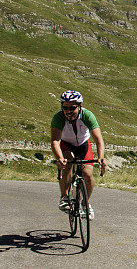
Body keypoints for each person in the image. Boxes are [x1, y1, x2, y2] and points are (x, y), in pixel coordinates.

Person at [50, 90, 107, 219]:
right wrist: (59, 158)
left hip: (83, 144)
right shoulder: (58, 118)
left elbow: (98, 139)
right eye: (65, 108)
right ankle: (64, 198)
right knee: (68, 161)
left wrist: (101, 157)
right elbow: (55, 141)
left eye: (72, 108)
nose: (68, 111)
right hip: (66, 144)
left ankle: (85, 202)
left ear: (80, 106)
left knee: (87, 174)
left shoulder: (87, 115)